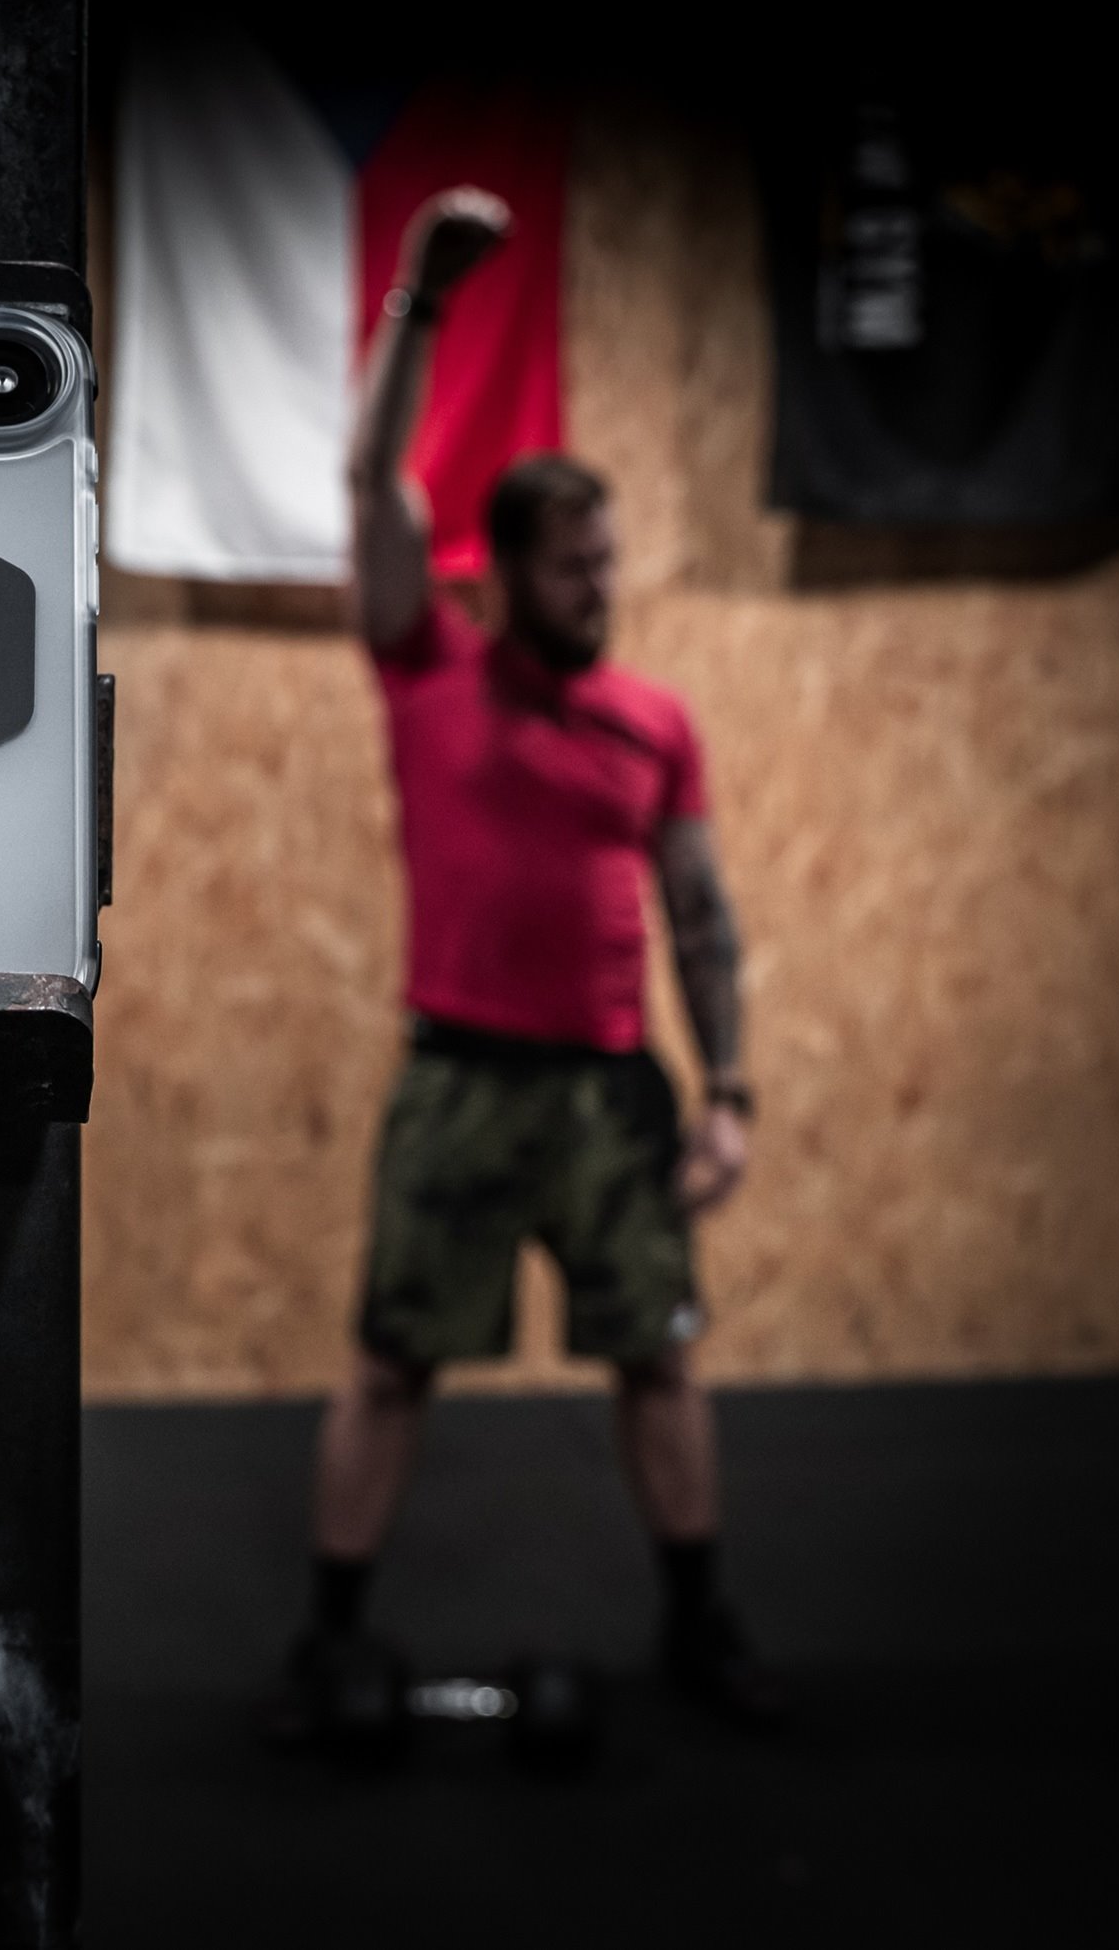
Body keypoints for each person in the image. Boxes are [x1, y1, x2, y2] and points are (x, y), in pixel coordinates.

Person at [288, 187, 786, 1727]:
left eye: (608, 561)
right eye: (573, 565)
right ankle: (328, 1636)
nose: (599, 588)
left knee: (659, 1361)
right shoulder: (424, 661)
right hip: (456, 1082)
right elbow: (367, 476)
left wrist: (729, 1094)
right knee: (391, 1365)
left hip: (609, 1095)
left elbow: (699, 913)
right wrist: (420, 300)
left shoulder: (653, 722)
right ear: (501, 573)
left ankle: (699, 1624)